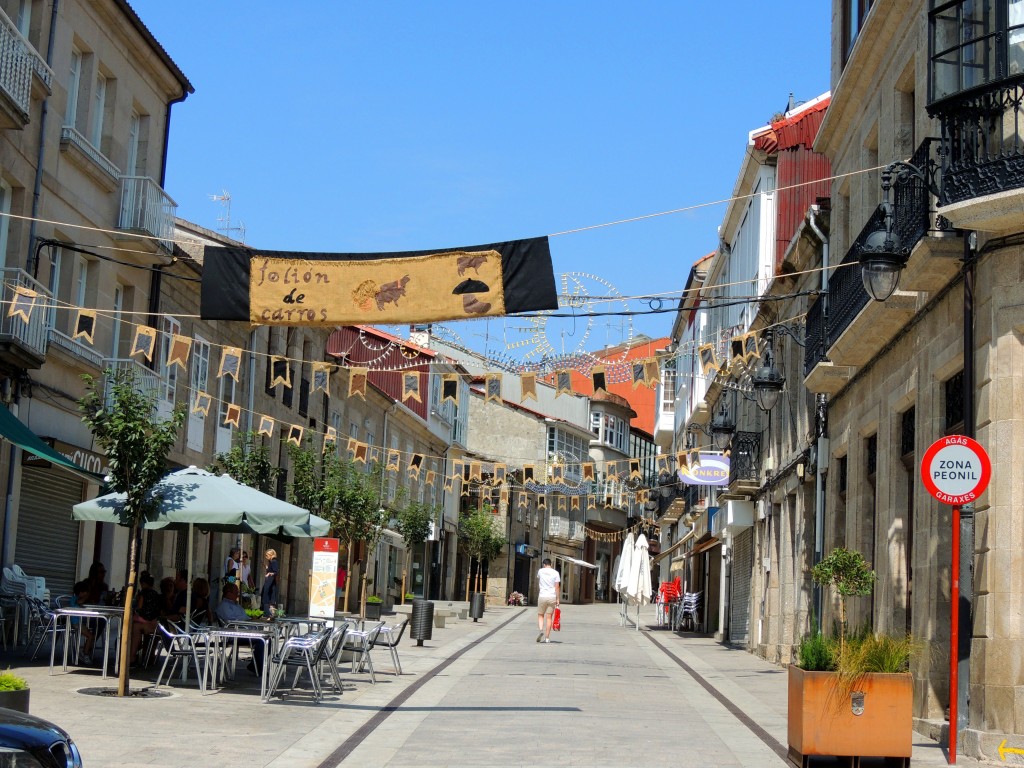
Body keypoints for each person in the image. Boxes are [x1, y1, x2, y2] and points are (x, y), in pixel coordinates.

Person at [217, 582, 264, 674]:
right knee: (263, 640)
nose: (237, 595)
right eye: (236, 593)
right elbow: (231, 622)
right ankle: (257, 666)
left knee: (268, 638)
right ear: (228, 593)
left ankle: (256, 664)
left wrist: (252, 620)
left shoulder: (236, 605)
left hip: (244, 630)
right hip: (235, 634)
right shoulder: (224, 606)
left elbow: (245, 617)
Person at [128, 573, 161, 666]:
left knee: (133, 627)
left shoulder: (143, 593)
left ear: (142, 583)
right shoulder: (156, 594)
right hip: (153, 621)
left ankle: (132, 655)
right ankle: (144, 653)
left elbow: (140, 607)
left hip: (145, 621)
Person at [536, 558, 561, 643]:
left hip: (542, 596)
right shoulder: (556, 573)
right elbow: (557, 587)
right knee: (549, 617)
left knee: (540, 615)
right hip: (552, 597)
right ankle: (547, 638)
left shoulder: (540, 571)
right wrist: (558, 599)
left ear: (544, 564)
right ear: (551, 564)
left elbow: (539, 579)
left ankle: (540, 630)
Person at [71, 580, 96, 662]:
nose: (86, 593)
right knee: (90, 636)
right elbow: (79, 602)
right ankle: (85, 654)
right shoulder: (75, 599)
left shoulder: (75, 599)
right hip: (76, 624)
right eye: (85, 592)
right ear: (81, 593)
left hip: (80, 622)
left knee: (91, 635)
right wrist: (86, 597)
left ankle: (85, 651)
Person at [260, 549, 279, 614]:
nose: (266, 557)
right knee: (266, 595)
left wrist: (269, 574)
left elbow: (275, 571)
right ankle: (269, 613)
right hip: (269, 581)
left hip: (271, 582)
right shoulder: (271, 562)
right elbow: (271, 569)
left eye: (267, 555)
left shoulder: (274, 561)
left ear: (271, 555)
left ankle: (269, 614)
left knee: (267, 595)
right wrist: (265, 566)